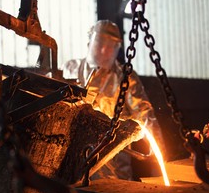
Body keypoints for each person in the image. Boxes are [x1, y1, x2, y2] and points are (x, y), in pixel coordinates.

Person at [59, 20, 164, 180]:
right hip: (72, 162)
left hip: (113, 171)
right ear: (89, 42)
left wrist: (159, 161)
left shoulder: (126, 79)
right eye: (100, 43)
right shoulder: (70, 69)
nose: (104, 50)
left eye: (110, 46)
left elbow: (147, 117)